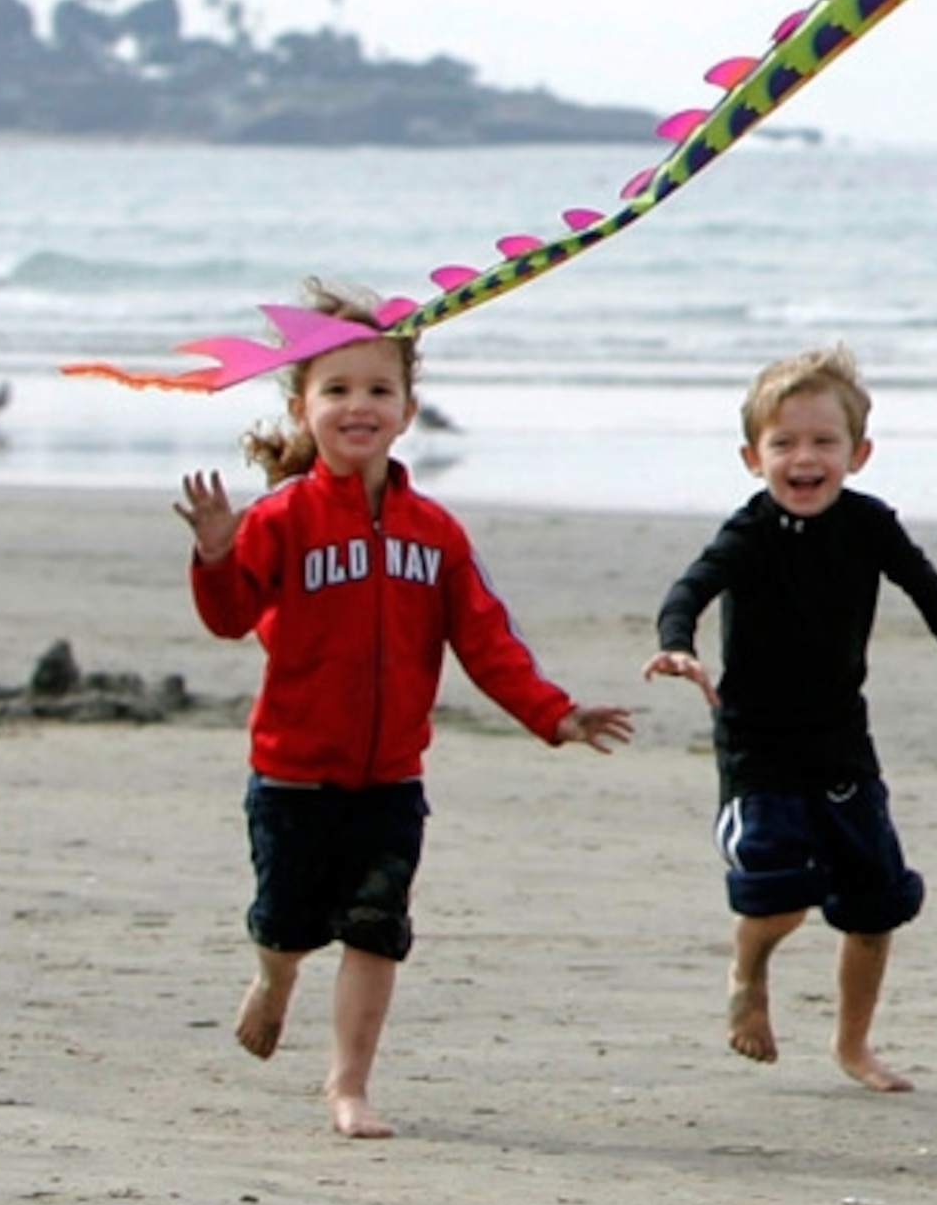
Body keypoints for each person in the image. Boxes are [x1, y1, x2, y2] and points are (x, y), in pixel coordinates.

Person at [176, 280, 634, 1139]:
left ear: (409, 407)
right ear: (302, 406)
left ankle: (348, 1085)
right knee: (287, 929)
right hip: (293, 775)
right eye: (338, 390)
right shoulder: (281, 518)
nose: (360, 406)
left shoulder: (436, 532)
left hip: (390, 778)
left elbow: (488, 639)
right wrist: (213, 553)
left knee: (375, 930)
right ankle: (274, 981)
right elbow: (231, 616)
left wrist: (555, 714)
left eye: (379, 390)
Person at [644, 343, 937, 1092]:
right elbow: (689, 590)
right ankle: (747, 975)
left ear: (859, 452)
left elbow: (934, 597)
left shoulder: (870, 525)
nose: (803, 458)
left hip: (841, 742)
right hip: (757, 746)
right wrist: (677, 647)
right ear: (754, 457)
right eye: (784, 443)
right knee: (780, 889)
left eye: (823, 441)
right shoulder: (747, 532)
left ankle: (854, 1044)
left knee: (875, 903)